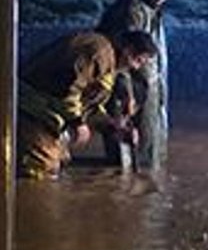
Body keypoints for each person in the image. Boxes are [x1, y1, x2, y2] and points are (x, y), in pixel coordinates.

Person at [16, 30, 157, 179]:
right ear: (128, 50)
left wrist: (113, 127)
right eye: (139, 60)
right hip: (31, 108)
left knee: (59, 163)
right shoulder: (99, 51)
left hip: (47, 113)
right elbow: (70, 86)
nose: (136, 67)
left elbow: (89, 107)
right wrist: (77, 121)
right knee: (40, 167)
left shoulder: (109, 63)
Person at [98, 0, 180, 169]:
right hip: (131, 93)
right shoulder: (131, 10)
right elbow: (120, 57)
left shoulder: (150, 7)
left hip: (148, 90)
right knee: (128, 161)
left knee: (144, 158)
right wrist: (126, 93)